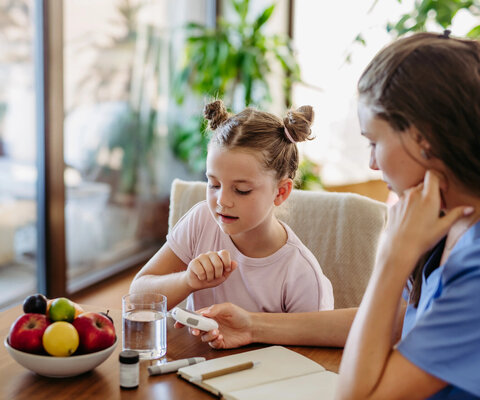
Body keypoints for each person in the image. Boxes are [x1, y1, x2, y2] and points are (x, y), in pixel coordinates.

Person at [190, 32, 480, 399]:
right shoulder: (446, 222)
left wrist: (392, 259)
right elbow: (403, 319)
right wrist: (254, 325)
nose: (372, 163)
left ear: (425, 139)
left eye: (374, 142)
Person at [130, 99, 334, 314]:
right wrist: (187, 280)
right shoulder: (202, 221)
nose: (222, 201)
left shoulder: (300, 273)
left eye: (242, 190)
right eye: (214, 184)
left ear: (281, 192)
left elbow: (312, 345)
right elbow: (137, 298)